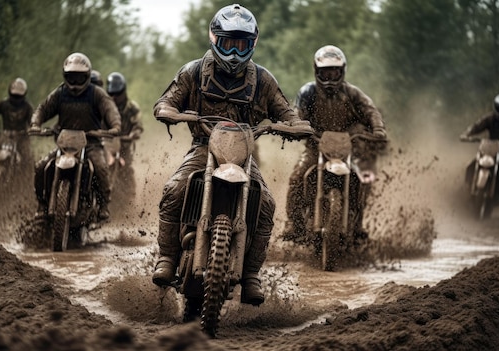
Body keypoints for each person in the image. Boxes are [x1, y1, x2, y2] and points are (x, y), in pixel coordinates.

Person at [151, 4, 311, 306]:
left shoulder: (263, 80)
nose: (235, 53)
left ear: (252, 44)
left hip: (245, 156)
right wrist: (169, 112)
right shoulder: (193, 71)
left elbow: (286, 111)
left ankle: (251, 274)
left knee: (265, 203)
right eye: (228, 44)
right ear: (215, 39)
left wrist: (297, 126)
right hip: (203, 149)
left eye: (242, 45)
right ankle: (167, 257)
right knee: (174, 190)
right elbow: (166, 101)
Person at [283, 45, 387, 244]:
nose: (330, 78)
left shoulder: (352, 93)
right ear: (317, 71)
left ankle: (357, 227)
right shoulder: (308, 92)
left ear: (342, 71)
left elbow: (371, 111)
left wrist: (378, 129)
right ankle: (293, 224)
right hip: (315, 147)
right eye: (325, 73)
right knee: (297, 177)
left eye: (334, 72)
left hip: (345, 149)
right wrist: (296, 127)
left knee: (361, 181)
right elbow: (297, 114)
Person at [29, 52, 121, 221]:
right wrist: (36, 123)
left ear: (87, 76)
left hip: (91, 143)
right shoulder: (60, 93)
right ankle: (42, 205)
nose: (75, 83)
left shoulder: (97, 93)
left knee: (101, 168)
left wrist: (115, 126)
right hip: (65, 144)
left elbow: (110, 109)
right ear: (65, 76)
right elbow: (43, 108)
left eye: (80, 78)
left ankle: (103, 206)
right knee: (42, 166)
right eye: (72, 77)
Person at [0, 77, 34, 173]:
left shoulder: (27, 107)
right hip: (5, 135)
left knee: (27, 158)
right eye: (14, 96)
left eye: (18, 96)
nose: (16, 99)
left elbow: (33, 120)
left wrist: (33, 128)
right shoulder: (3, 104)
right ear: (10, 93)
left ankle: (27, 180)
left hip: (22, 136)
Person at [106, 72, 143, 197]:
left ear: (123, 91)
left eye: (117, 93)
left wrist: (134, 134)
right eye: (112, 94)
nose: (114, 97)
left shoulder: (132, 108)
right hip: (105, 146)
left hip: (124, 146)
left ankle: (129, 199)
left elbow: (138, 125)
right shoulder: (104, 107)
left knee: (127, 172)